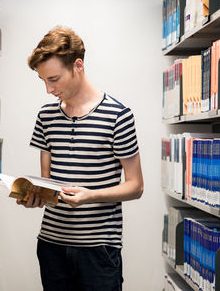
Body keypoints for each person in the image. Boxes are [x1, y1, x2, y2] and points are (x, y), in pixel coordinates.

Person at [18, 26, 144, 291]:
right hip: (51, 246)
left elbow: (136, 186)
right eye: (43, 81)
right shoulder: (45, 116)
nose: (48, 90)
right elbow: (47, 182)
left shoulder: (118, 115)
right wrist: (34, 197)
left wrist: (91, 195)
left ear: (78, 66)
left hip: (98, 251)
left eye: (53, 79)